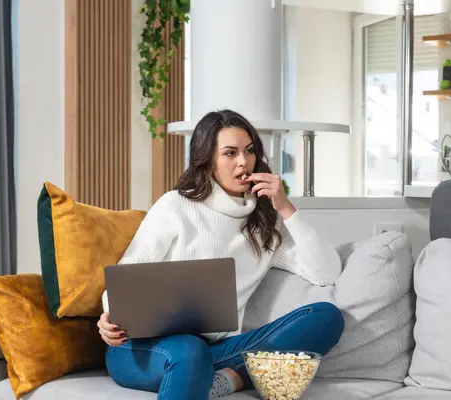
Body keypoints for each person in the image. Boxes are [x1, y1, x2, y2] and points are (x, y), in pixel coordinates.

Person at [97, 109, 345, 399]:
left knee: (326, 316)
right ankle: (226, 376)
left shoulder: (265, 224)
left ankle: (226, 378)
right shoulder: (175, 206)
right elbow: (129, 274)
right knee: (190, 351)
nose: (243, 161)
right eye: (230, 153)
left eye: (249, 150)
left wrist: (286, 208)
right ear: (208, 161)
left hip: (217, 351)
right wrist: (109, 316)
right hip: (141, 350)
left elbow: (327, 273)